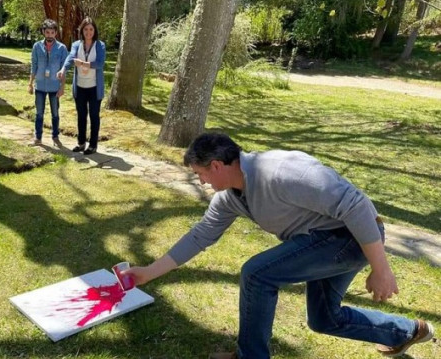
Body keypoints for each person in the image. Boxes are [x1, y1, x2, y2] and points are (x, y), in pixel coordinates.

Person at [123, 133, 434, 359]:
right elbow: (200, 235)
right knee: (325, 319)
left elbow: (356, 206)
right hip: (323, 240)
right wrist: (148, 273)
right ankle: (407, 331)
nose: (202, 181)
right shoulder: (230, 196)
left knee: (257, 274)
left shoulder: (282, 172)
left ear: (216, 165)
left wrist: (381, 269)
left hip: (353, 236)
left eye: (201, 174)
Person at [57, 17, 106, 155]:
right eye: (86, 29)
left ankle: (93, 145)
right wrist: (63, 70)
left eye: (91, 29)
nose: (88, 32)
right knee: (81, 116)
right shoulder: (76, 44)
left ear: (94, 30)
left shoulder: (100, 45)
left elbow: (100, 64)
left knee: (94, 116)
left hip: (94, 88)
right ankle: (81, 143)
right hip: (80, 87)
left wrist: (84, 64)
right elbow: (70, 58)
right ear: (82, 30)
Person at [29, 19, 67, 147]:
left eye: (52, 32)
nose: (49, 35)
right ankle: (38, 137)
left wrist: (62, 87)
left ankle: (55, 137)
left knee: (55, 113)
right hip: (40, 85)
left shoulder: (62, 48)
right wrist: (30, 83)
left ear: (56, 33)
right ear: (43, 32)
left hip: (54, 87)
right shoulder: (36, 46)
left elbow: (64, 69)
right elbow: (33, 66)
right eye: (47, 32)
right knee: (39, 113)